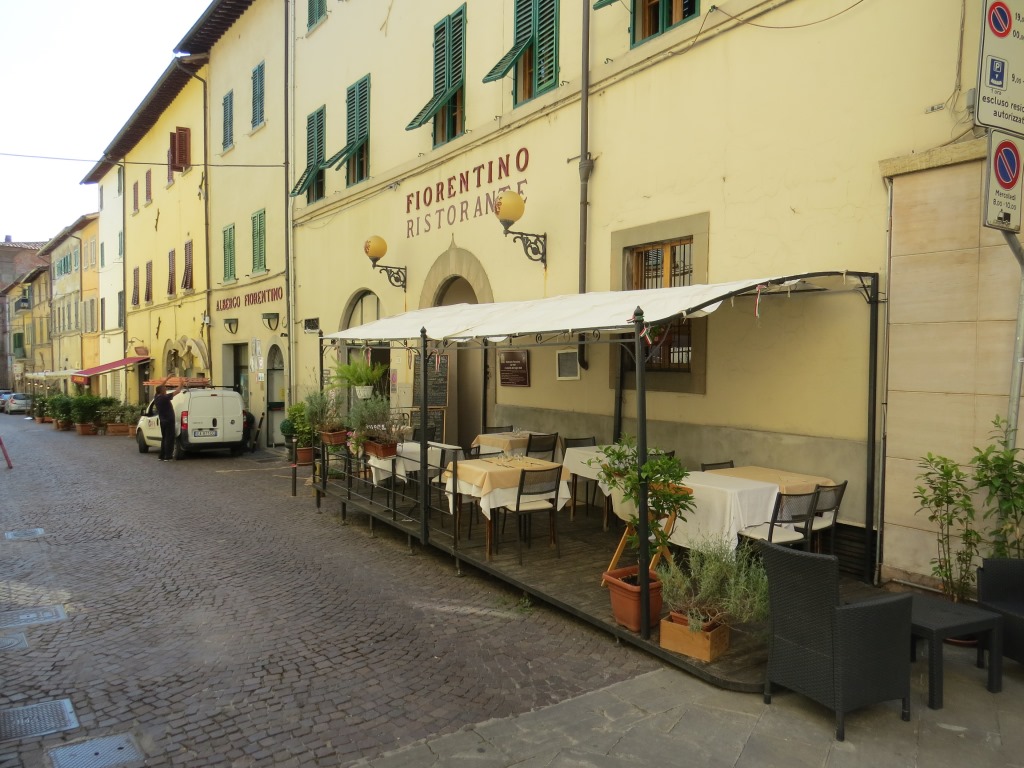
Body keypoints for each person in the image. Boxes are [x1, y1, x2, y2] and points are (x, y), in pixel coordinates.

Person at [154, 381, 183, 461]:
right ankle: (168, 456)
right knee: (169, 439)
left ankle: (162, 456)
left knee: (164, 438)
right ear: (162, 391)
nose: (166, 389)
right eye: (164, 388)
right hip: (169, 420)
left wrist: (168, 378)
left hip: (162, 420)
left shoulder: (156, 397)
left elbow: (160, 385)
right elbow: (177, 392)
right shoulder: (164, 397)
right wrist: (181, 384)